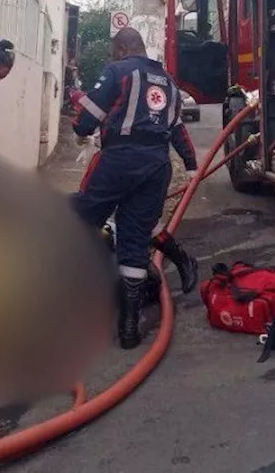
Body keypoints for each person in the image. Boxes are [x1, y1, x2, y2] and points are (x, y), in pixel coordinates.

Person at [71, 27, 200, 350]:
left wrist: (81, 121)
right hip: (156, 165)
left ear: (122, 48)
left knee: (81, 220)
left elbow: (85, 122)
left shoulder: (118, 71)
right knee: (134, 237)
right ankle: (129, 329)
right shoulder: (169, 83)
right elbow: (177, 129)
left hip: (118, 161)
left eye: (115, 51)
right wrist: (192, 164)